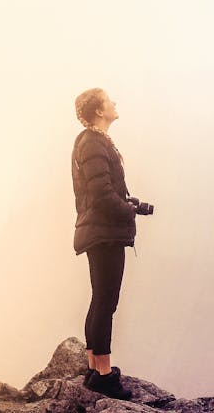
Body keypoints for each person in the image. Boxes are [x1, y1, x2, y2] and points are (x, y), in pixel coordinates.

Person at [71, 87, 138, 400]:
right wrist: (127, 209)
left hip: (99, 231)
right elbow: (102, 195)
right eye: (110, 100)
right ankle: (103, 376)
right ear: (99, 111)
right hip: (104, 232)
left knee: (100, 299)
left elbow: (102, 190)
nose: (115, 103)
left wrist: (127, 203)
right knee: (106, 302)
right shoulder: (93, 143)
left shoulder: (92, 142)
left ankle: (93, 367)